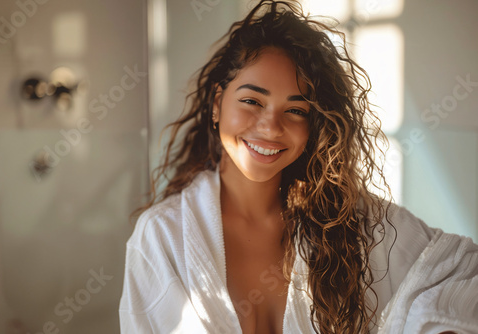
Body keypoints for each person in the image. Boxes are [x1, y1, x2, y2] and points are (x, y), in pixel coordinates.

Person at [119, 1, 478, 333]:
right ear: (217, 103)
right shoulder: (162, 236)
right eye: (251, 101)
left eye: (295, 110)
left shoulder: (348, 221)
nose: (270, 127)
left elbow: (459, 269)